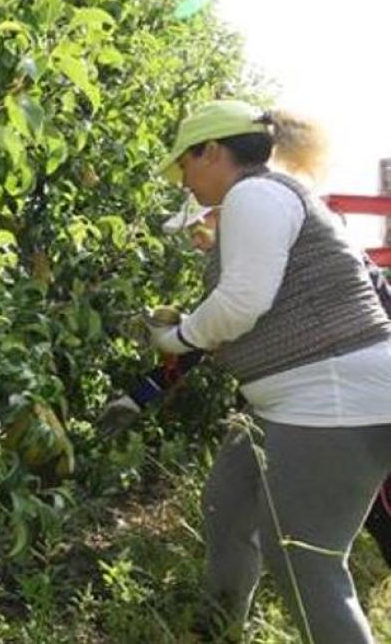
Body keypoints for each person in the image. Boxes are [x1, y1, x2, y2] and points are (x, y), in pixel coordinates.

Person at [148, 99, 391, 642]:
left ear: (211, 151)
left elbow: (242, 302)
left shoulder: (256, 193)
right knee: (227, 505)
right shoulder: (261, 200)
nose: (183, 180)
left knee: (306, 562)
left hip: (330, 397)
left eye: (184, 164)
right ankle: (215, 628)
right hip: (287, 402)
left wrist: (179, 335)